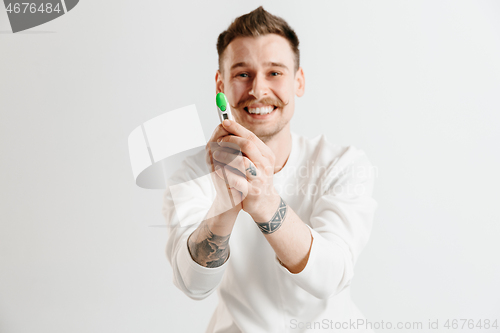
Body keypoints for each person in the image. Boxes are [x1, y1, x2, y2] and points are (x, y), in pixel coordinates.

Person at [163, 6, 378, 333]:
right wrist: (225, 203)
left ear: (298, 81)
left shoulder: (343, 165)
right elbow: (193, 284)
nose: (258, 90)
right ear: (220, 84)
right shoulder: (190, 174)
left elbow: (330, 276)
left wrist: (265, 201)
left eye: (275, 72)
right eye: (242, 74)